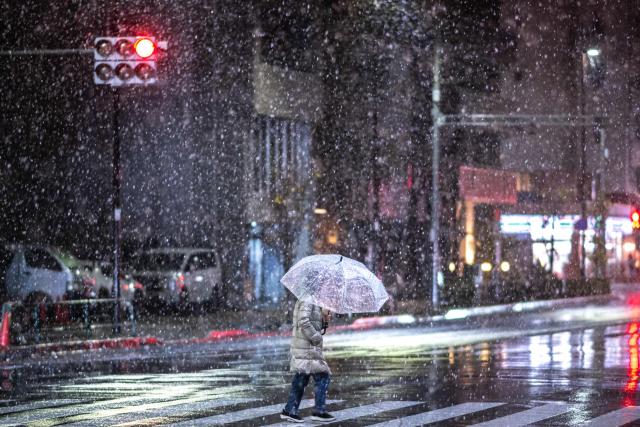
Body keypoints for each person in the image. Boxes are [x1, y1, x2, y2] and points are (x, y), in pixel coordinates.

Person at [281, 300, 335, 423]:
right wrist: (316, 337)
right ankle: (319, 411)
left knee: (301, 378)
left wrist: (324, 319)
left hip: (307, 347)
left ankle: (290, 410)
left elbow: (313, 324)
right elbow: (303, 321)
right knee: (323, 376)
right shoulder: (308, 299)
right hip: (306, 347)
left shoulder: (313, 300)